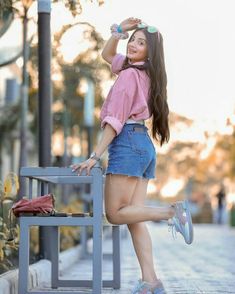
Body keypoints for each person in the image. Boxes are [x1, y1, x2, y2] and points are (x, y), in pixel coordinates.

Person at [71, 17, 194, 294]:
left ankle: (172, 212)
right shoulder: (144, 73)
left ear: (150, 52)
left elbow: (115, 120)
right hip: (142, 144)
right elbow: (107, 55)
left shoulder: (128, 76)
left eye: (142, 42)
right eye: (133, 40)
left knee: (115, 214)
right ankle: (151, 282)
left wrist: (95, 155)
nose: (134, 45)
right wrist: (118, 33)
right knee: (133, 219)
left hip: (127, 143)